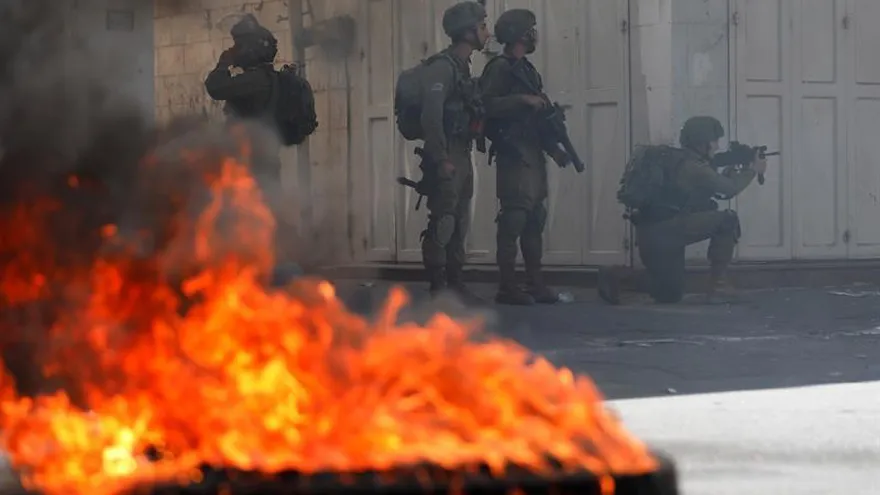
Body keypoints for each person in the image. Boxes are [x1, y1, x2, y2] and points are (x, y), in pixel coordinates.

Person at [604, 116, 767, 304]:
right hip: (668, 230)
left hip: (652, 234)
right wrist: (752, 170)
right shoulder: (694, 167)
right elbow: (729, 189)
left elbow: (713, 188)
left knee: (670, 293)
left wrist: (731, 169)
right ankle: (719, 286)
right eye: (714, 141)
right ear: (703, 142)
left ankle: (616, 278)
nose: (717, 146)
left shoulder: (678, 161)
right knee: (727, 219)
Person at [479, 9, 568, 306]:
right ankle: (507, 286)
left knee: (534, 219)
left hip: (532, 150)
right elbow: (486, 105)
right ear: (520, 35)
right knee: (513, 218)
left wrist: (554, 148)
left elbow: (539, 117)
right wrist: (521, 100)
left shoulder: (528, 70)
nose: (534, 36)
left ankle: (535, 283)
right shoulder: (499, 68)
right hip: (513, 152)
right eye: (530, 30)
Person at [417, 1, 490, 302]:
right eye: (482, 26)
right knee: (444, 221)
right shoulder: (442, 68)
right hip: (447, 154)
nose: (487, 32)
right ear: (467, 32)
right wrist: (441, 158)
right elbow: (431, 117)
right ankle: (438, 285)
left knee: (460, 221)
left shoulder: (463, 68)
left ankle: (455, 283)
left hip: (462, 152)